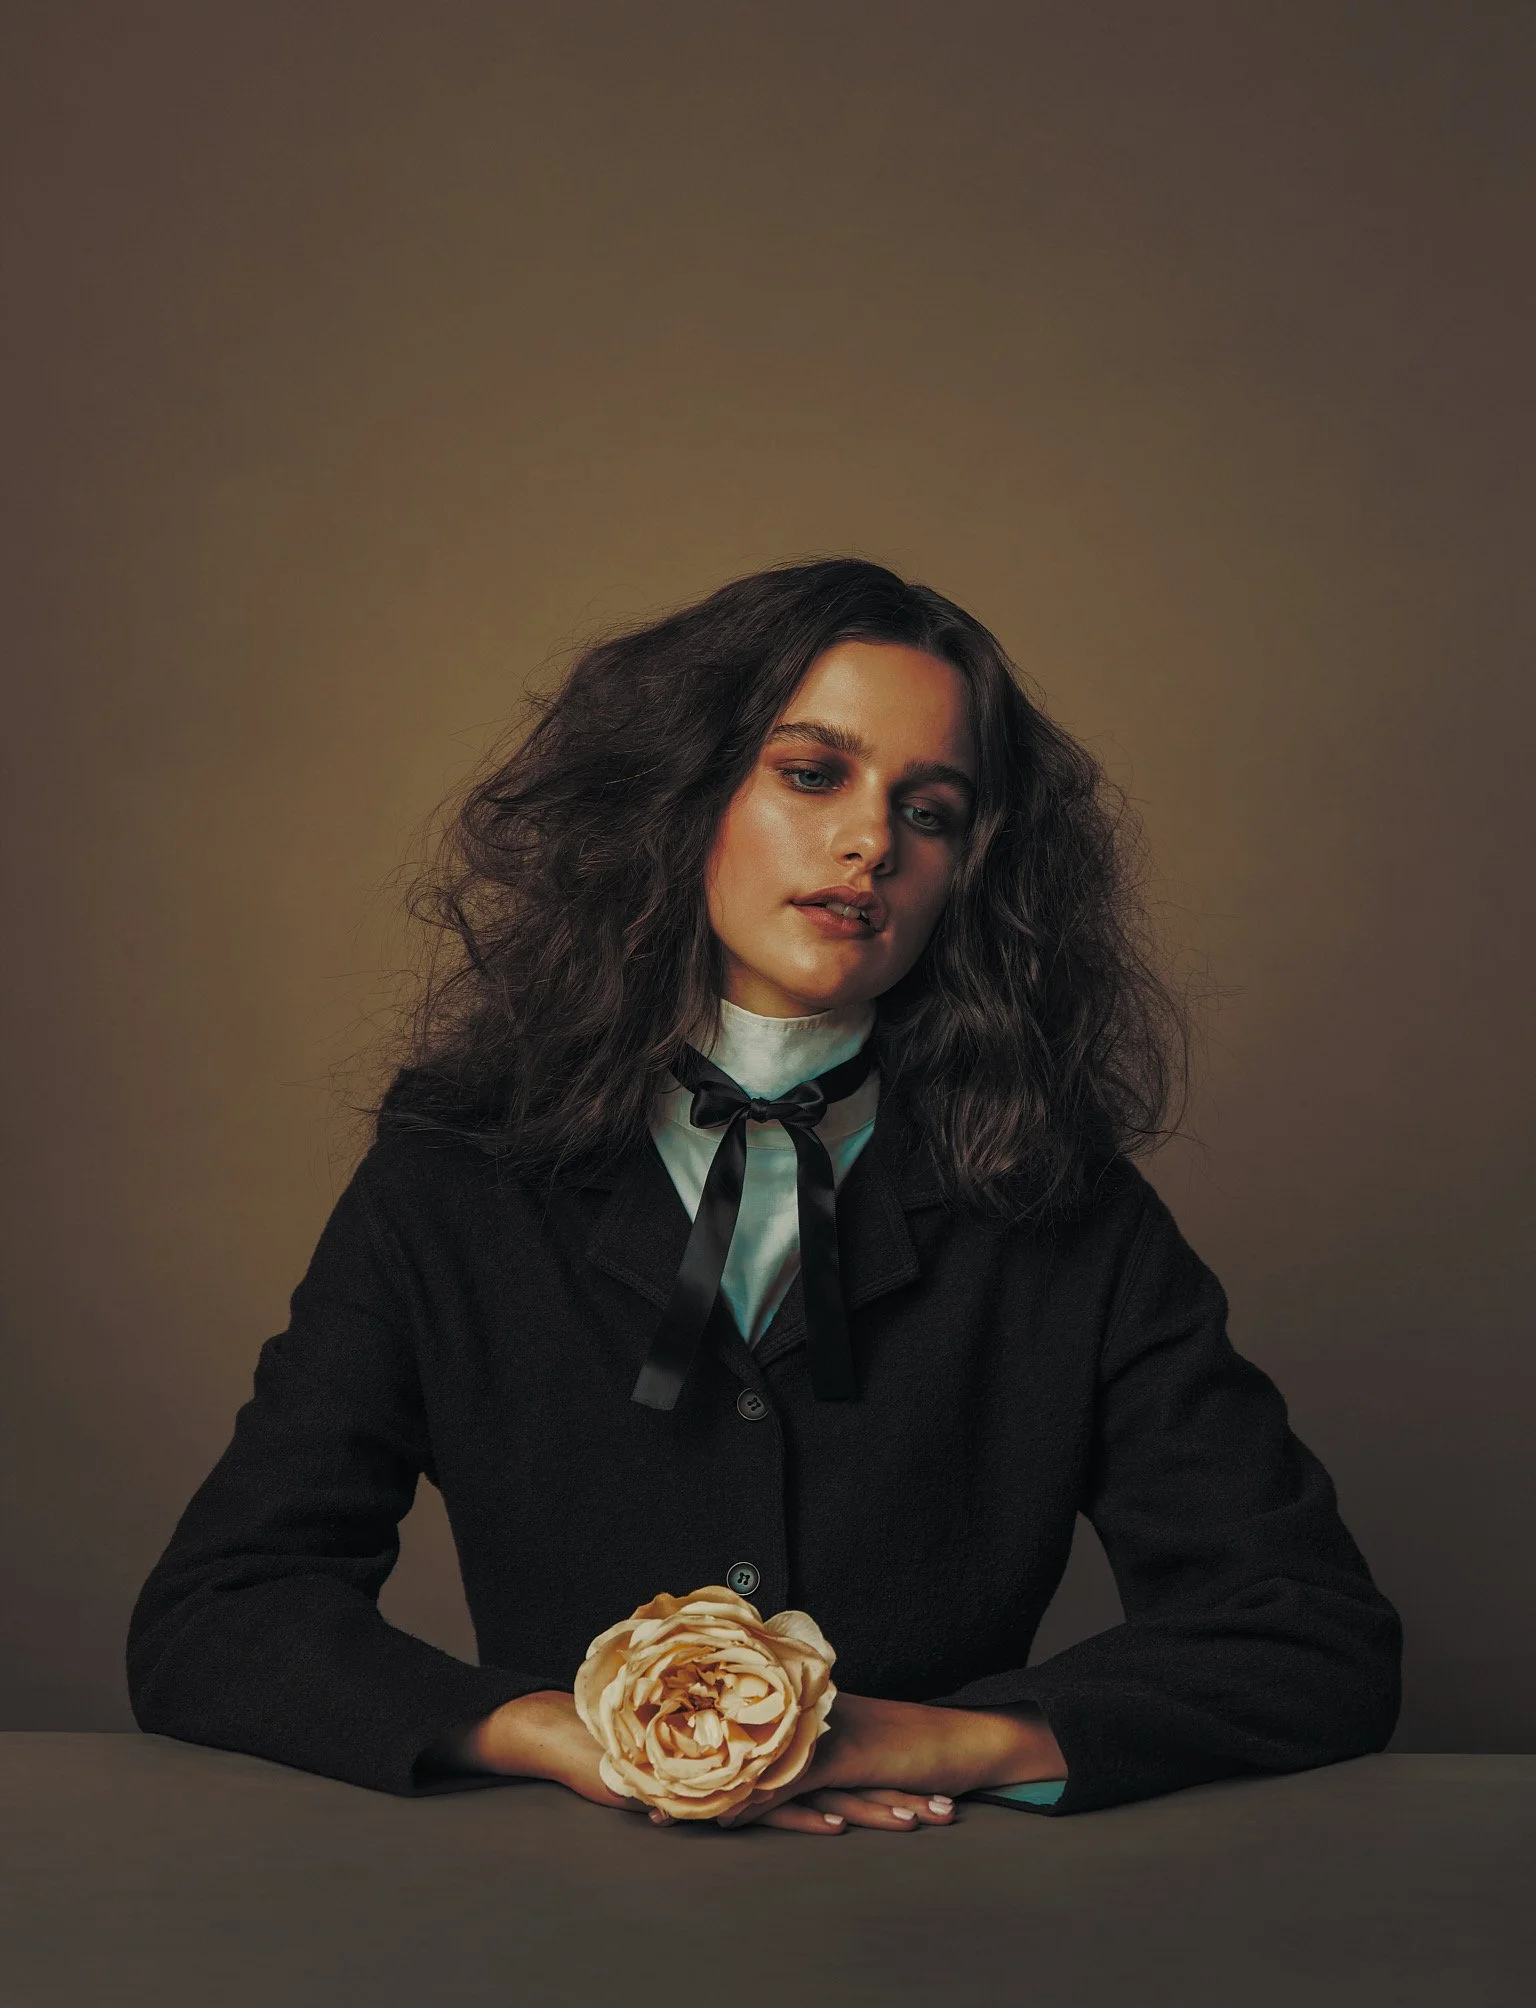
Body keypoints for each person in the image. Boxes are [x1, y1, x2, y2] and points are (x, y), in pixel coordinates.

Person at [126, 557, 1402, 1836]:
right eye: (811, 773)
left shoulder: (1070, 1212)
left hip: (944, 1919)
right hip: (553, 1923)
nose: (869, 842)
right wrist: (550, 1732)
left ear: (970, 868)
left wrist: (944, 1737)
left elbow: (1313, 1634)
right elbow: (216, 1613)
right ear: (683, 794)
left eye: (934, 808)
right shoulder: (452, 1174)